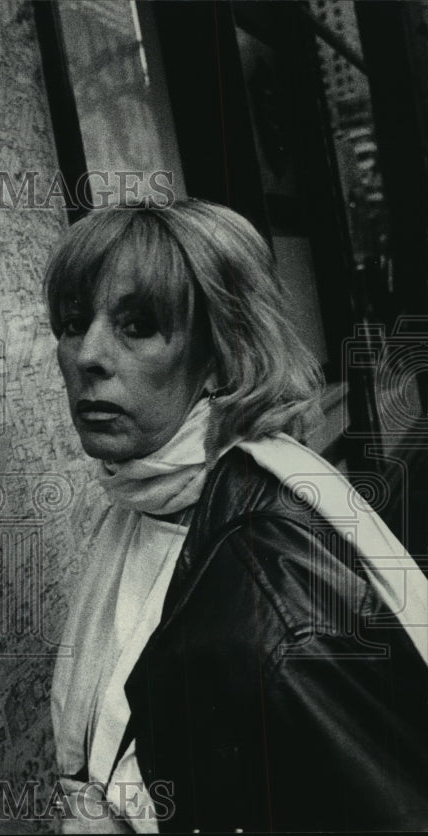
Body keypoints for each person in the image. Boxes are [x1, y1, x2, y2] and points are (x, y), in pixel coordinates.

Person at [45, 198, 428, 833]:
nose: (88, 354)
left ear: (221, 355)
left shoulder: (269, 586)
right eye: (72, 322)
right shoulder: (150, 505)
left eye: (138, 326)